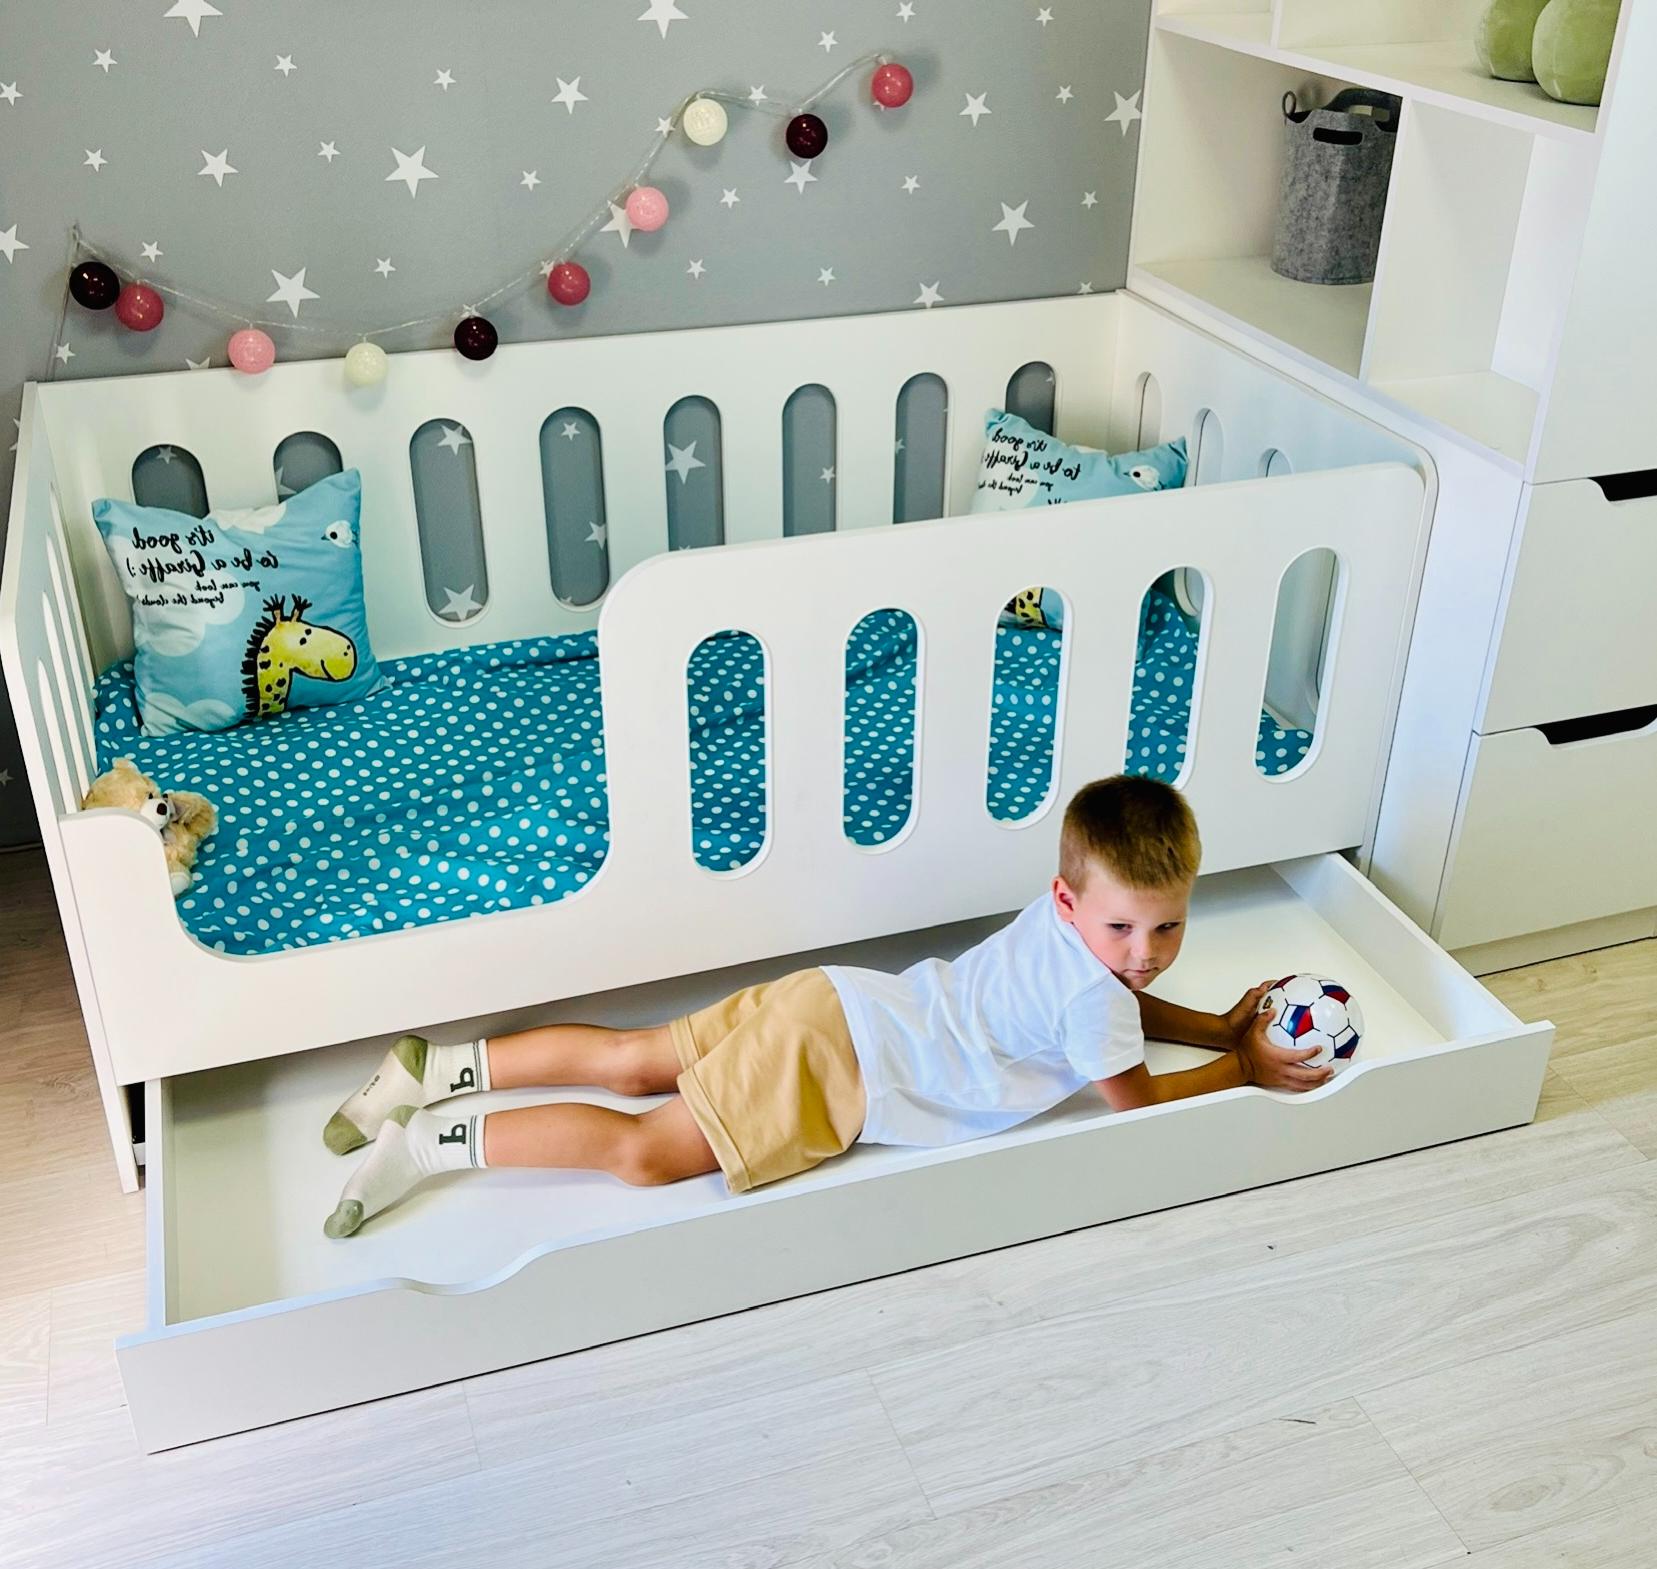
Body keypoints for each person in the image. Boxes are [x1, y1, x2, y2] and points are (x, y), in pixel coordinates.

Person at [321, 774, 1333, 1238]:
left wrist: (1216, 1023)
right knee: (643, 1153)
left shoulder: (1067, 927)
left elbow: (1112, 1007)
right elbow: (1136, 1108)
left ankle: (437, 1067)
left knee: (636, 1057)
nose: (1145, 954)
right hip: (839, 1066)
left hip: (835, 999)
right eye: (1125, 929)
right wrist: (1240, 1067)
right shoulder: (1097, 993)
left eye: (1167, 928)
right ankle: (427, 1146)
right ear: (1073, 901)